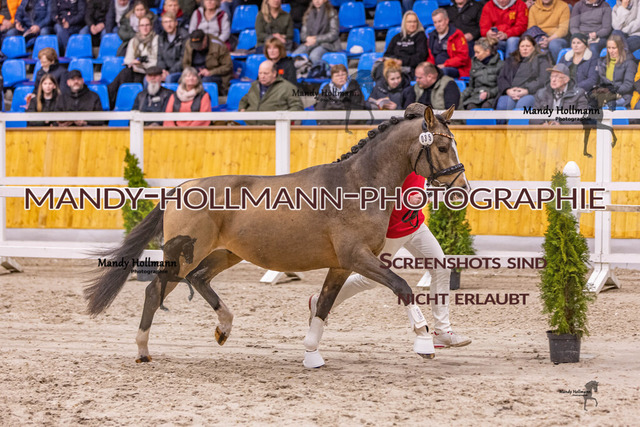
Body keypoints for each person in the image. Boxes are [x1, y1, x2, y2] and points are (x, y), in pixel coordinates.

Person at [308, 173, 472, 350]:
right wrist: (406, 200)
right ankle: (322, 301)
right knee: (369, 280)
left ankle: (442, 332)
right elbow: (375, 191)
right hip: (392, 232)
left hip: (416, 226)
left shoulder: (422, 161)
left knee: (442, 269)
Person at [108, 15, 158, 108]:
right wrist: (133, 62)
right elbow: (127, 59)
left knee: (130, 77)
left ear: (151, 26)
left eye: (147, 25)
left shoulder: (156, 39)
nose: (145, 28)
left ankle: (120, 102)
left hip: (147, 71)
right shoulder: (134, 40)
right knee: (125, 73)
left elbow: (154, 61)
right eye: (142, 25)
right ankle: (117, 102)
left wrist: (142, 64)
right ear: (139, 27)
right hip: (135, 69)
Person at [496, 35, 550, 110]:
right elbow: (502, 78)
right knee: (503, 106)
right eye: (522, 46)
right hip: (511, 93)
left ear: (534, 47)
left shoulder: (541, 60)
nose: (525, 49)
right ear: (519, 48)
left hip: (531, 93)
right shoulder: (510, 60)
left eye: (528, 46)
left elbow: (542, 80)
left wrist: (527, 90)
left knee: (521, 106)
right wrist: (508, 90)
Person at [238, 60, 303, 124]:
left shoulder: (288, 87)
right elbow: (244, 100)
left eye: (266, 73)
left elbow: (297, 107)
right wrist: (242, 109)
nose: (262, 76)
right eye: (260, 73)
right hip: (251, 127)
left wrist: (283, 118)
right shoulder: (254, 86)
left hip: (276, 128)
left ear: (274, 73)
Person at [380, 10, 429, 79]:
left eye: (414, 22)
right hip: (393, 66)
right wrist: (392, 60)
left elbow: (420, 57)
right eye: (409, 22)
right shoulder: (397, 37)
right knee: (379, 66)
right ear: (404, 23)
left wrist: (402, 62)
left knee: (390, 74)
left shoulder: (421, 37)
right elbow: (387, 54)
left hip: (410, 68)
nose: (412, 24)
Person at [182, 29, 233, 94]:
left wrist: (211, 72)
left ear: (205, 39)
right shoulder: (189, 44)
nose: (197, 48)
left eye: (199, 45)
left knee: (205, 81)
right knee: (178, 79)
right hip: (195, 74)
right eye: (195, 46)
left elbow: (228, 66)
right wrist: (190, 73)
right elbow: (185, 63)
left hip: (215, 75)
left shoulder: (218, 45)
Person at [292, 0, 340, 65]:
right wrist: (307, 38)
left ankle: (326, 69)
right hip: (310, 43)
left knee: (314, 56)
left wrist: (316, 39)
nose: (317, 1)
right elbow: (303, 34)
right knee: (295, 55)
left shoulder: (331, 13)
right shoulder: (308, 13)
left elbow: (334, 33)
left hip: (327, 44)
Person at [461, 37, 504, 109]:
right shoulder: (474, 64)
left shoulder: (500, 65)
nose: (475, 55)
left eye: (478, 52)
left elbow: (501, 86)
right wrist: (459, 98)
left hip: (493, 97)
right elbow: (471, 87)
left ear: (487, 51)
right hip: (476, 96)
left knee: (486, 106)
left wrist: (489, 94)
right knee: (470, 106)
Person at [428, 8, 471, 78]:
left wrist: (445, 64)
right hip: (436, 68)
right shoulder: (432, 36)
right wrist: (430, 67)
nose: (437, 25)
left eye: (440, 21)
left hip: (455, 68)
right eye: (435, 22)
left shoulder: (457, 34)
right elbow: (430, 57)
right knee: (421, 74)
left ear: (447, 20)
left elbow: (463, 58)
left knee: (442, 72)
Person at [596, 34, 636, 106]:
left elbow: (628, 85)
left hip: (623, 96)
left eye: (614, 48)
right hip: (606, 95)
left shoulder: (630, 63)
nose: (611, 51)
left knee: (608, 105)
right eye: (609, 48)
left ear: (620, 48)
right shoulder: (603, 62)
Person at [157, 11, 188, 83]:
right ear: (162, 24)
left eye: (170, 21)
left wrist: (170, 72)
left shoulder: (184, 36)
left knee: (169, 79)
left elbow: (183, 59)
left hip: (180, 71)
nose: (168, 25)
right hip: (165, 71)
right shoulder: (161, 37)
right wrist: (163, 71)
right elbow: (159, 57)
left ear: (176, 23)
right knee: (149, 79)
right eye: (165, 22)